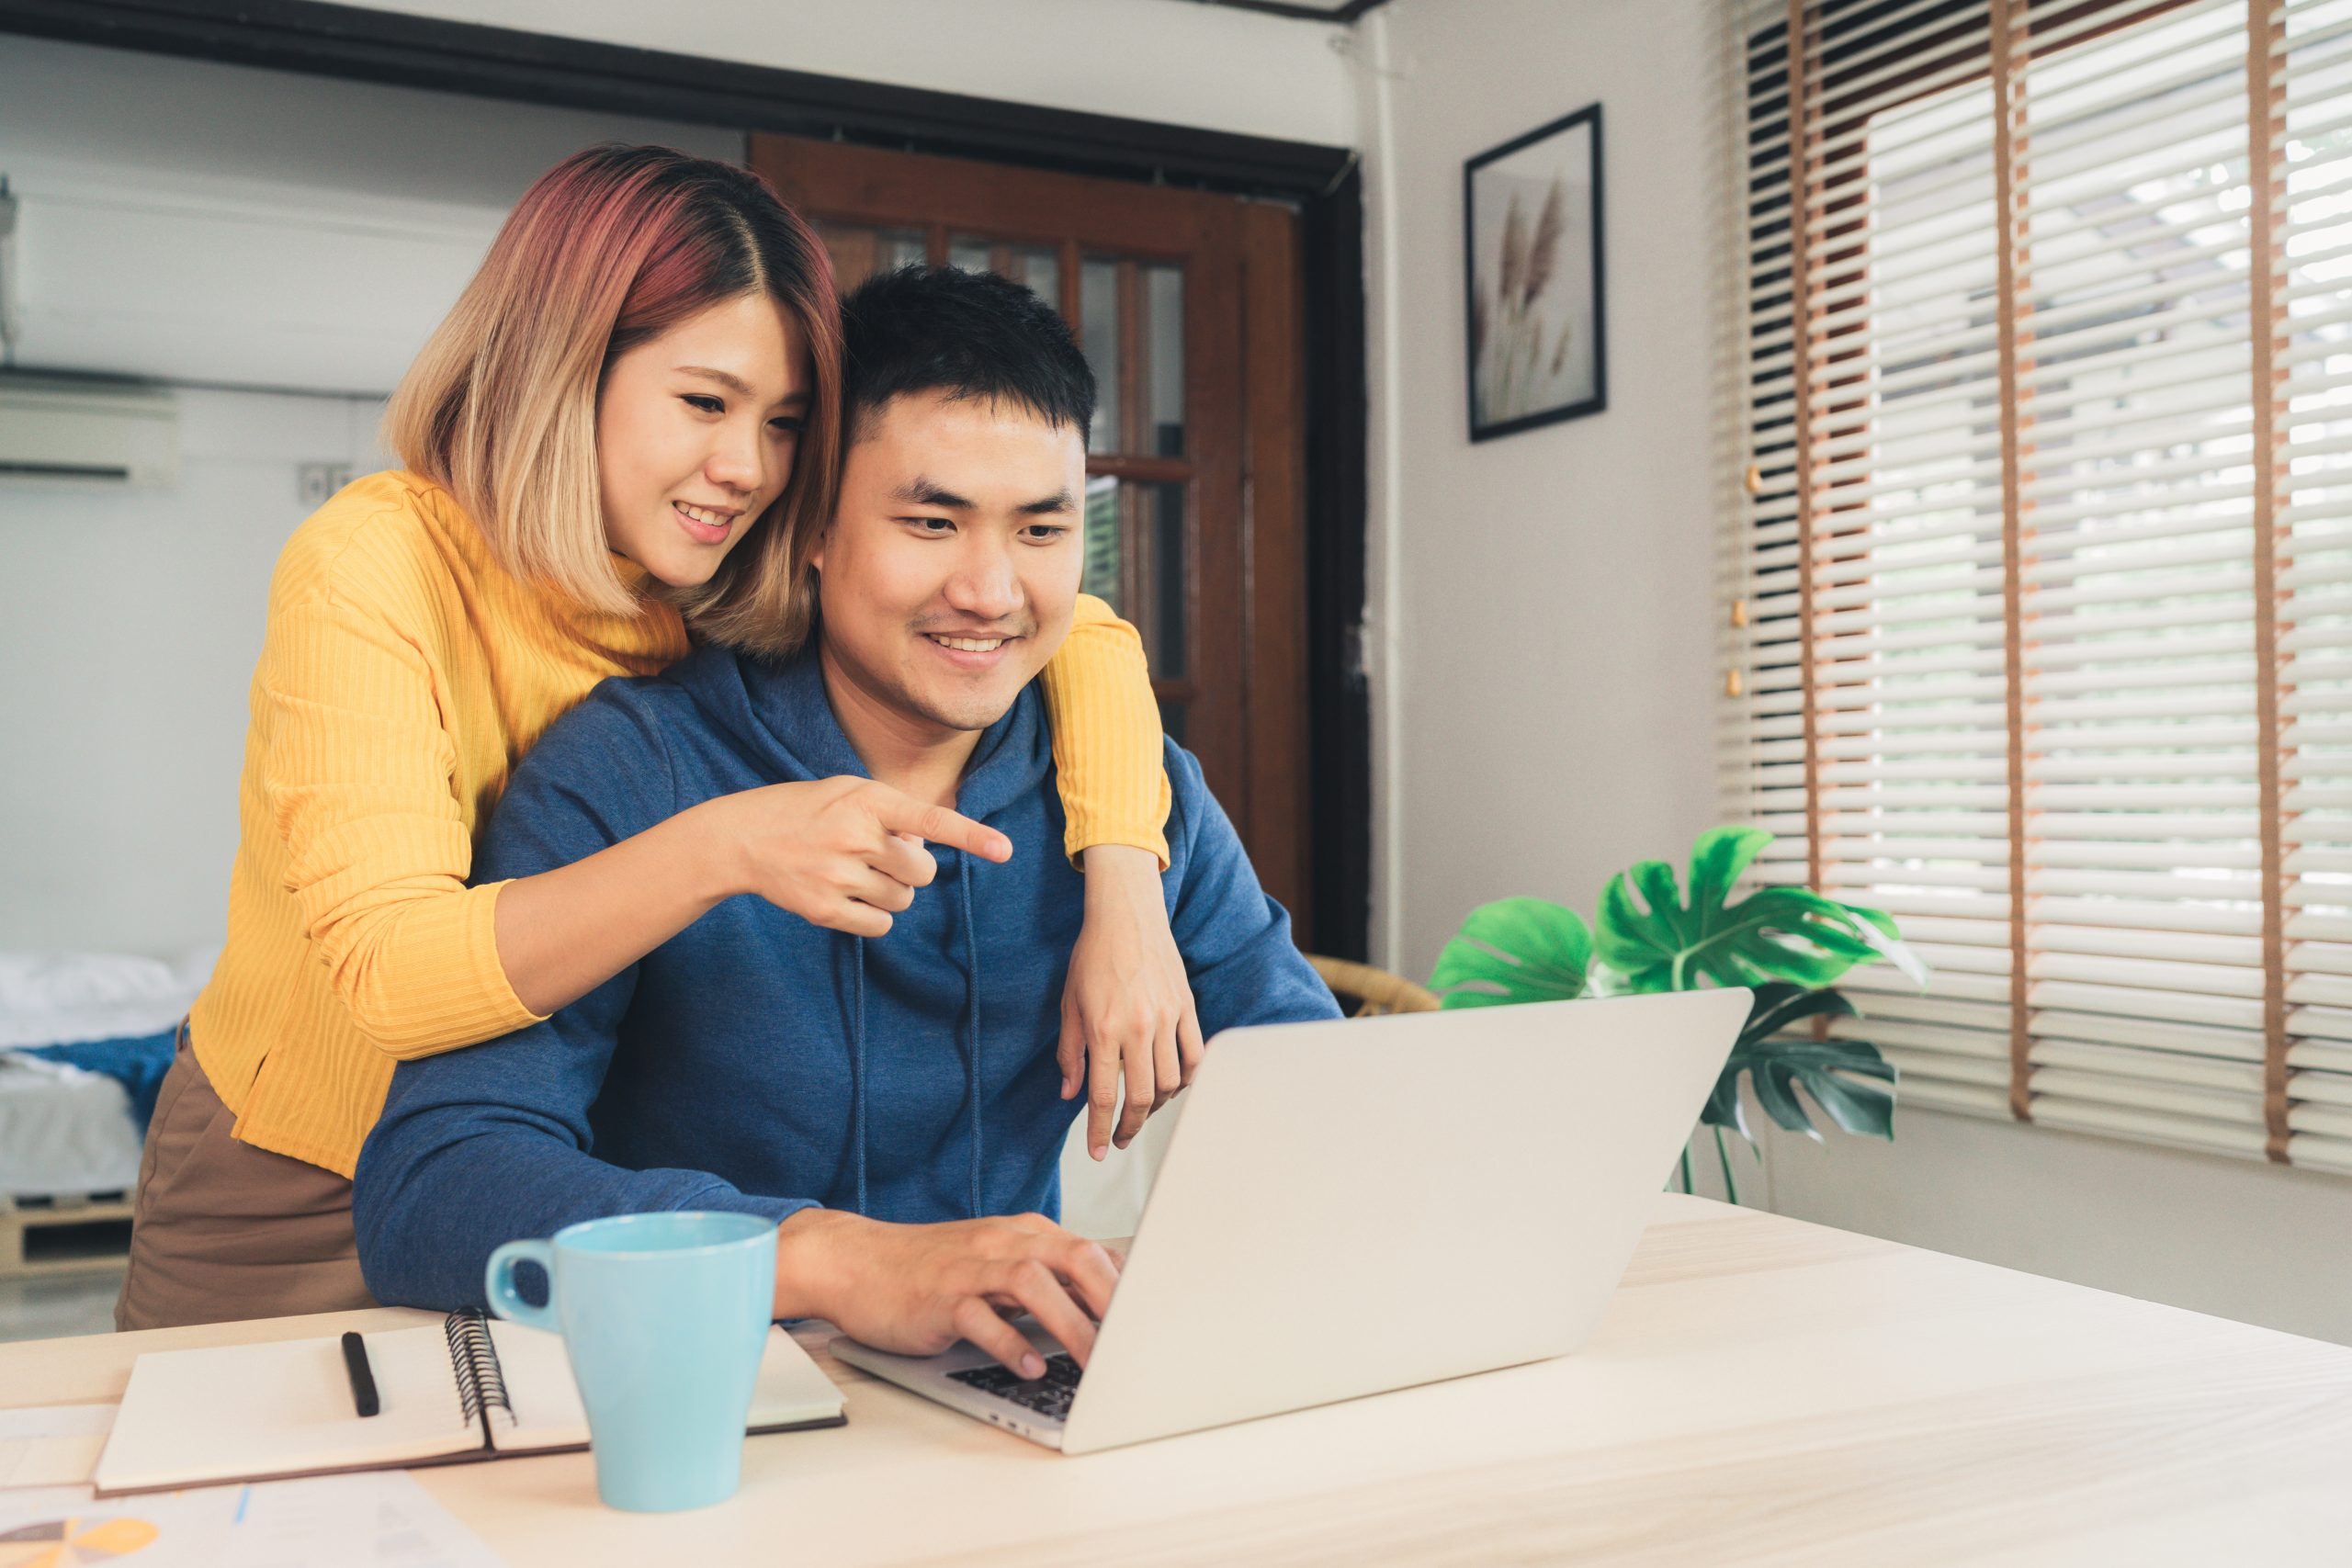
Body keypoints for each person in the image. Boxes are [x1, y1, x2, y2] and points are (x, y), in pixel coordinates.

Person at [119, 147, 1198, 1333]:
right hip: (300, 1168)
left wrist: (1125, 883)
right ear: (564, 365)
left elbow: (1070, 629)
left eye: (785, 422)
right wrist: (722, 845)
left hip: (539, 1158)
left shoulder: (698, 561)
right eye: (705, 401)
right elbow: (389, 977)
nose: (745, 468)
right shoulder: (373, 566)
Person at [353, 265, 1338, 1377]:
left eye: (1041, 530)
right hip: (697, 1388)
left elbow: (1319, 1098)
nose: (991, 590)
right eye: (931, 521)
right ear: (811, 528)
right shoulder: (628, 768)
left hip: (997, 1387)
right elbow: (433, 1186)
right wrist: (832, 1262)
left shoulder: (1126, 791)